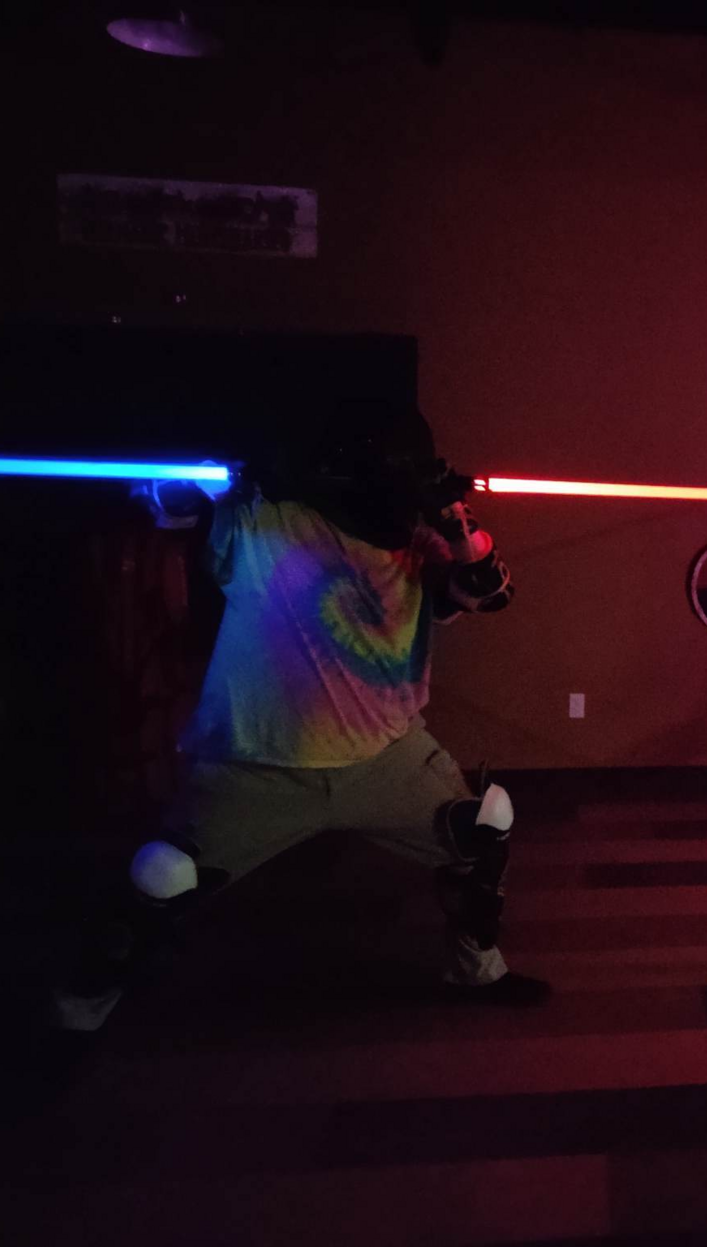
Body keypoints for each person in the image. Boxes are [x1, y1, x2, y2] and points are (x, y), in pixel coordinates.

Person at [52, 402, 547, 1030]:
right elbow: (168, 503)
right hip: (259, 766)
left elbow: (486, 590)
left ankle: (477, 969)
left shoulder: (419, 547)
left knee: (480, 835)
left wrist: (454, 517)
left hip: (386, 760)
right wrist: (210, 475)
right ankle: (77, 1011)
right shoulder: (266, 519)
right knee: (159, 880)